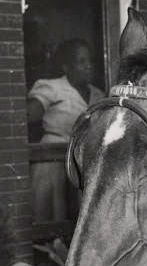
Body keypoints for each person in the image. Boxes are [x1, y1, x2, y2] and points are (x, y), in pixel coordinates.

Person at [26, 39, 104, 221]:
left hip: (82, 161)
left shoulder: (98, 94)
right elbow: (28, 114)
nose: (88, 66)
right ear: (66, 67)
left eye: (90, 61)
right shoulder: (52, 87)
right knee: (49, 214)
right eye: (81, 61)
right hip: (51, 159)